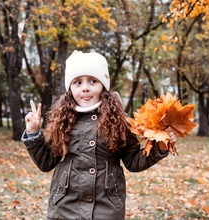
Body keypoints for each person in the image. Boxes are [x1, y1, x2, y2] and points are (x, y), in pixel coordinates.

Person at [21, 50, 177, 220]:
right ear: (70, 88)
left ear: (103, 85)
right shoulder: (63, 121)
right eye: (78, 82)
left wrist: (159, 147)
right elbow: (46, 162)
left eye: (93, 81)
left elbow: (133, 161)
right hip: (65, 204)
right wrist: (33, 132)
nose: (85, 87)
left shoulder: (120, 120)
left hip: (106, 205)